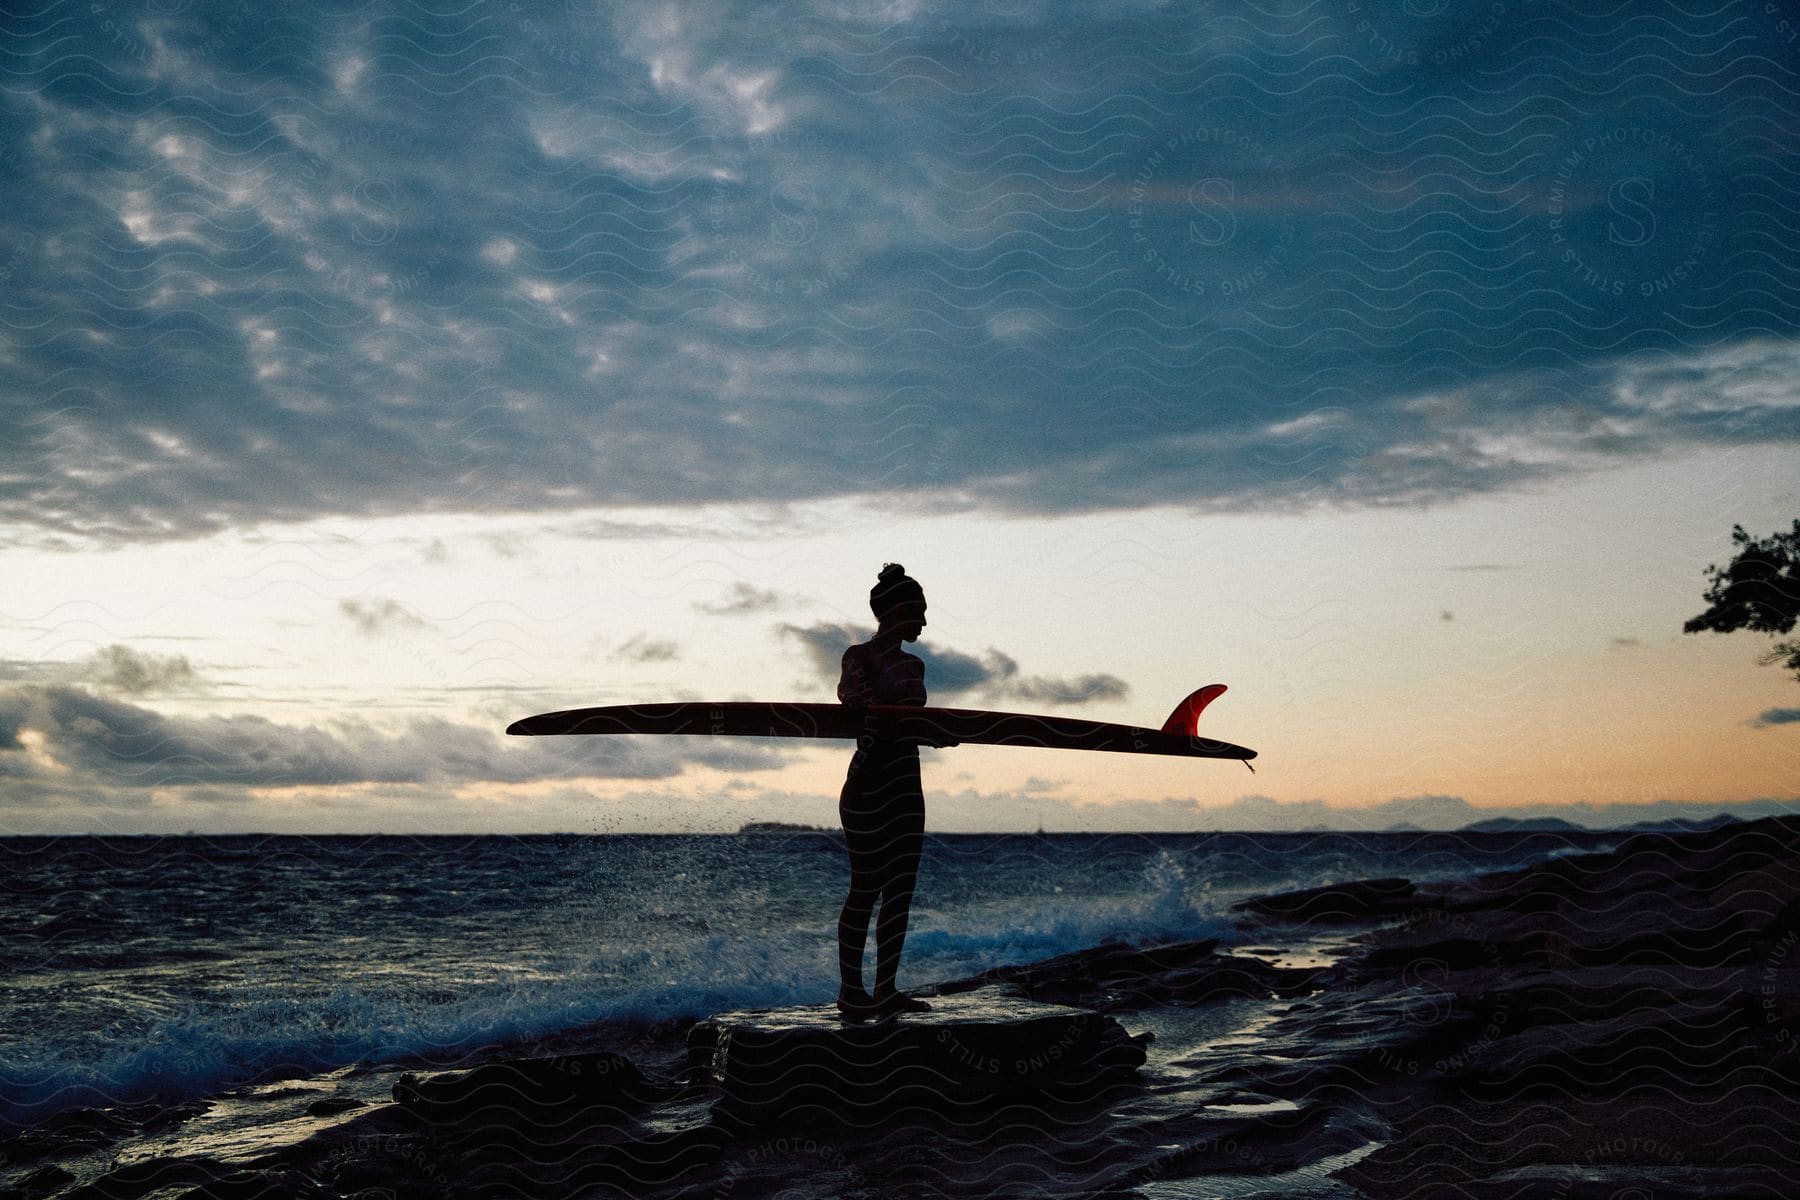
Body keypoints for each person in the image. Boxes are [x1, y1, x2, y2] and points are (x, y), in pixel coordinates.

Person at [835, 563, 945, 1019]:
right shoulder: (858, 656)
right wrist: (901, 719)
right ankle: (849, 991)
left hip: (907, 783)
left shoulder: (914, 663)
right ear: (898, 611)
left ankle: (886, 989)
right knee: (864, 887)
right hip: (868, 780)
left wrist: (936, 731)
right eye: (918, 613)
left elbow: (913, 724)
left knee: (900, 890)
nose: (923, 623)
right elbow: (851, 700)